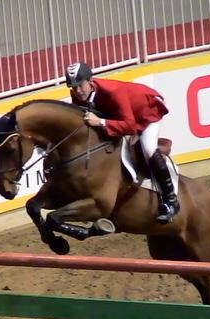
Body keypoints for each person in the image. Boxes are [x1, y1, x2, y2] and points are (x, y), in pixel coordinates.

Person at [65, 62, 180, 224]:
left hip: (146, 112)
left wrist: (101, 122)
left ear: (90, 81)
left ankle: (171, 200)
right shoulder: (77, 94)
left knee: (148, 148)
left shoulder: (113, 92)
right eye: (73, 87)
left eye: (80, 85)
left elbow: (130, 126)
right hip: (119, 116)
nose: (77, 91)